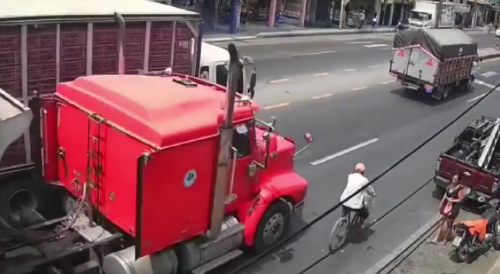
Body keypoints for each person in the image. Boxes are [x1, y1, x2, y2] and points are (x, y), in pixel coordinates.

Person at [430, 173, 467, 245]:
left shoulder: (459, 189)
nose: (453, 180)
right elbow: (446, 194)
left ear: (459, 181)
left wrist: (452, 200)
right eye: (453, 179)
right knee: (442, 222)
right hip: (447, 206)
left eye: (455, 179)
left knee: (449, 224)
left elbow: (460, 199)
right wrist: (441, 203)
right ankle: (436, 238)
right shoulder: (450, 186)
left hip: (454, 208)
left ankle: (445, 239)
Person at [340, 163, 377, 227]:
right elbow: (370, 190)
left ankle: (343, 219)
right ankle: (359, 226)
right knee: (365, 213)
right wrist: (373, 194)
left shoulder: (350, 176)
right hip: (356, 205)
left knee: (346, 206)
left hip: (344, 200)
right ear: (363, 172)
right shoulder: (364, 180)